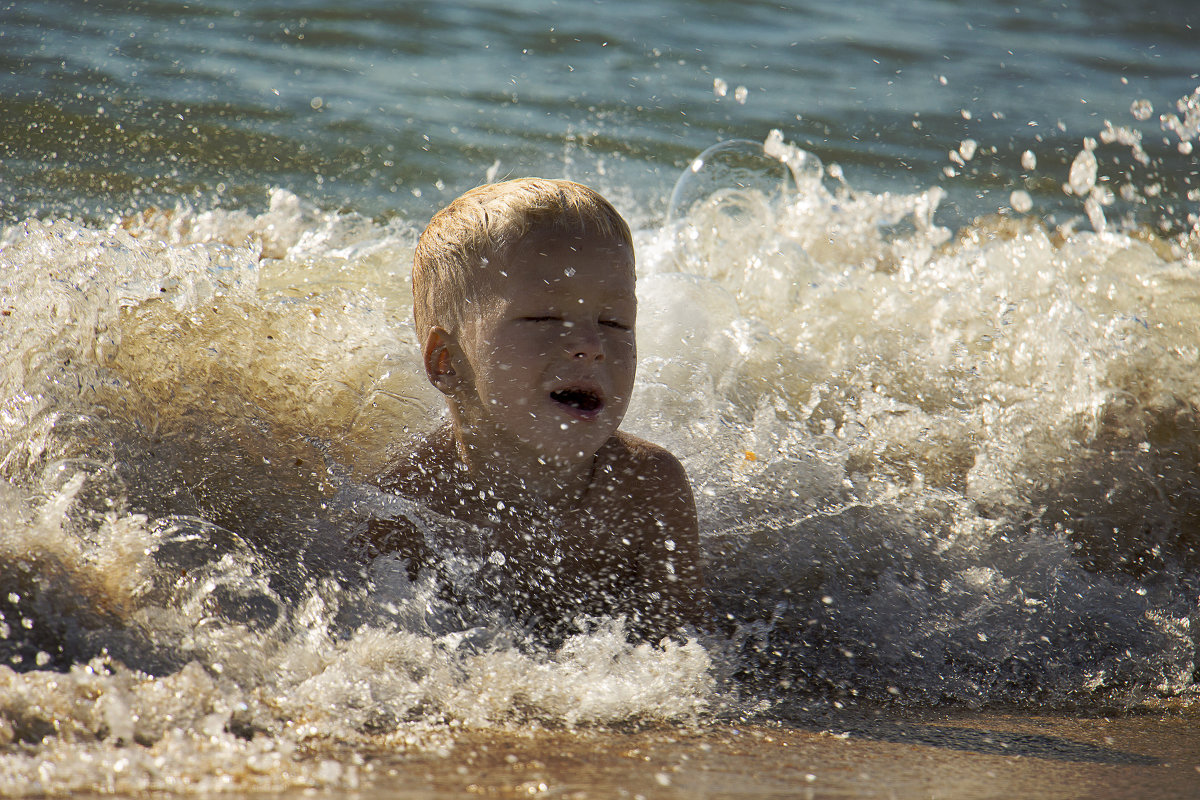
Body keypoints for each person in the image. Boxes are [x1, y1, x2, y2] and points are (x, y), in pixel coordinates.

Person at [361, 177, 702, 644]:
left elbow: (680, 658)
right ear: (448, 363)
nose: (590, 345)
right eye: (543, 318)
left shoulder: (648, 489)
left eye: (613, 321)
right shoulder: (406, 504)